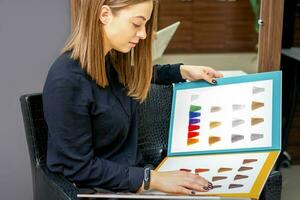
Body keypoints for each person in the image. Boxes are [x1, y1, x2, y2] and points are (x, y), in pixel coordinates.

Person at [43, 0, 223, 196]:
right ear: (104, 15)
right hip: (96, 190)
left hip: (128, 180)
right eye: (137, 24)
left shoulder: (109, 63)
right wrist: (151, 179)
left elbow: (134, 75)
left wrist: (182, 71)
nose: (143, 34)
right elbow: (79, 168)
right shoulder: (67, 80)